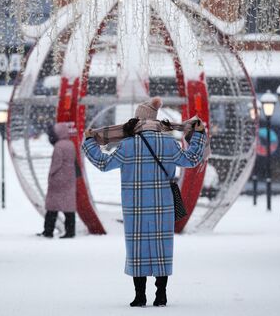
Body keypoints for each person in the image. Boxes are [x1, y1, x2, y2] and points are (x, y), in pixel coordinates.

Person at [82, 97, 207, 307]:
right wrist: (200, 136)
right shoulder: (169, 142)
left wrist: (88, 142)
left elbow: (103, 163)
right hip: (163, 204)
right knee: (162, 246)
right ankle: (161, 294)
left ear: (138, 120)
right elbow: (192, 159)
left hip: (135, 205)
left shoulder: (127, 145)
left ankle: (139, 295)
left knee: (137, 248)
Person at [38, 122, 77, 239]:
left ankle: (48, 231)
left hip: (58, 180)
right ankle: (70, 231)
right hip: (69, 178)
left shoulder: (59, 146)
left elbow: (56, 163)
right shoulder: (70, 144)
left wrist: (51, 174)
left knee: (52, 207)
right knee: (68, 207)